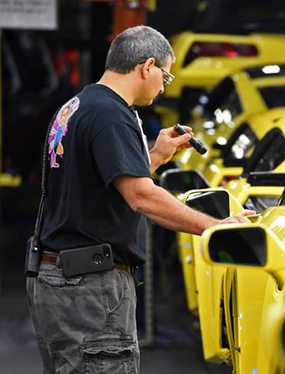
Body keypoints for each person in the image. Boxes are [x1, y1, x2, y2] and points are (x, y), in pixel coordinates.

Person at [26, 25, 253, 373]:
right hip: (90, 290)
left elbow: (103, 185)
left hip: (61, 284)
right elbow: (141, 197)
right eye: (165, 74)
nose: (164, 86)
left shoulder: (80, 105)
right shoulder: (112, 115)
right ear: (147, 66)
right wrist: (217, 227)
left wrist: (155, 156)